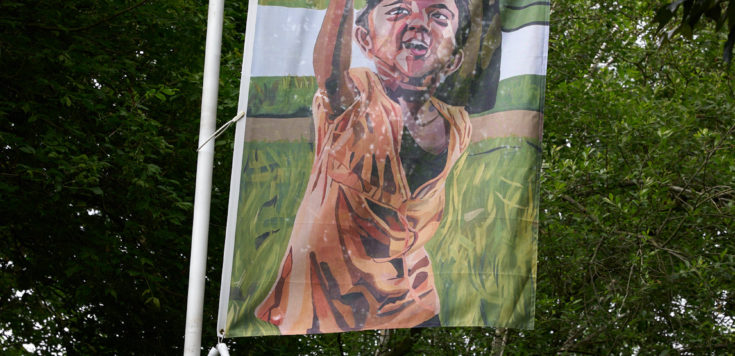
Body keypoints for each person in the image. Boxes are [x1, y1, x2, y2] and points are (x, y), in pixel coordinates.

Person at [255, 0, 472, 334]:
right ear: (365, 39)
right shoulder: (357, 97)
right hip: (329, 291)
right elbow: (329, 75)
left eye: (439, 15)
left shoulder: (456, 124)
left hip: (413, 292)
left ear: (455, 57)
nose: (419, 23)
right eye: (399, 10)